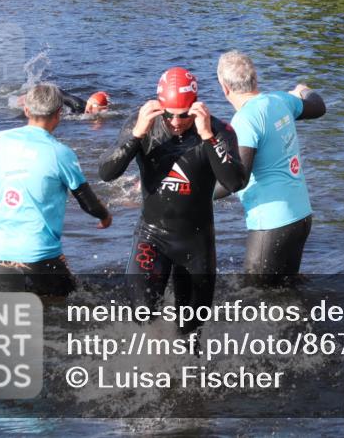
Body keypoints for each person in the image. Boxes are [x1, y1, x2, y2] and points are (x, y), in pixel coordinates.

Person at [99, 67, 246, 333]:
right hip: (152, 236)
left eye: (184, 115)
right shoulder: (142, 124)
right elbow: (106, 173)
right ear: (159, 106)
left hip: (196, 242)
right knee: (142, 314)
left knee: (191, 330)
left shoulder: (218, 130)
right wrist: (136, 135)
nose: (176, 122)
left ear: (196, 106)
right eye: (169, 115)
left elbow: (235, 182)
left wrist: (207, 137)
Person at [0, 84, 112, 296]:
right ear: (59, 113)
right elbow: (88, 202)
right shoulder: (61, 153)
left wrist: (15, 199)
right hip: (40, 254)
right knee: (74, 303)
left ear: (26, 110)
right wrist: (105, 217)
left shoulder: (0, 140)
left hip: (0, 252)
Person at [214, 51, 326, 280]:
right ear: (255, 79)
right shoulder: (280, 100)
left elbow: (237, 180)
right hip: (301, 216)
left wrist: (191, 193)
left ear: (224, 88)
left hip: (272, 223)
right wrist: (303, 90)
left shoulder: (245, 120)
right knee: (288, 291)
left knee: (256, 295)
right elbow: (318, 106)